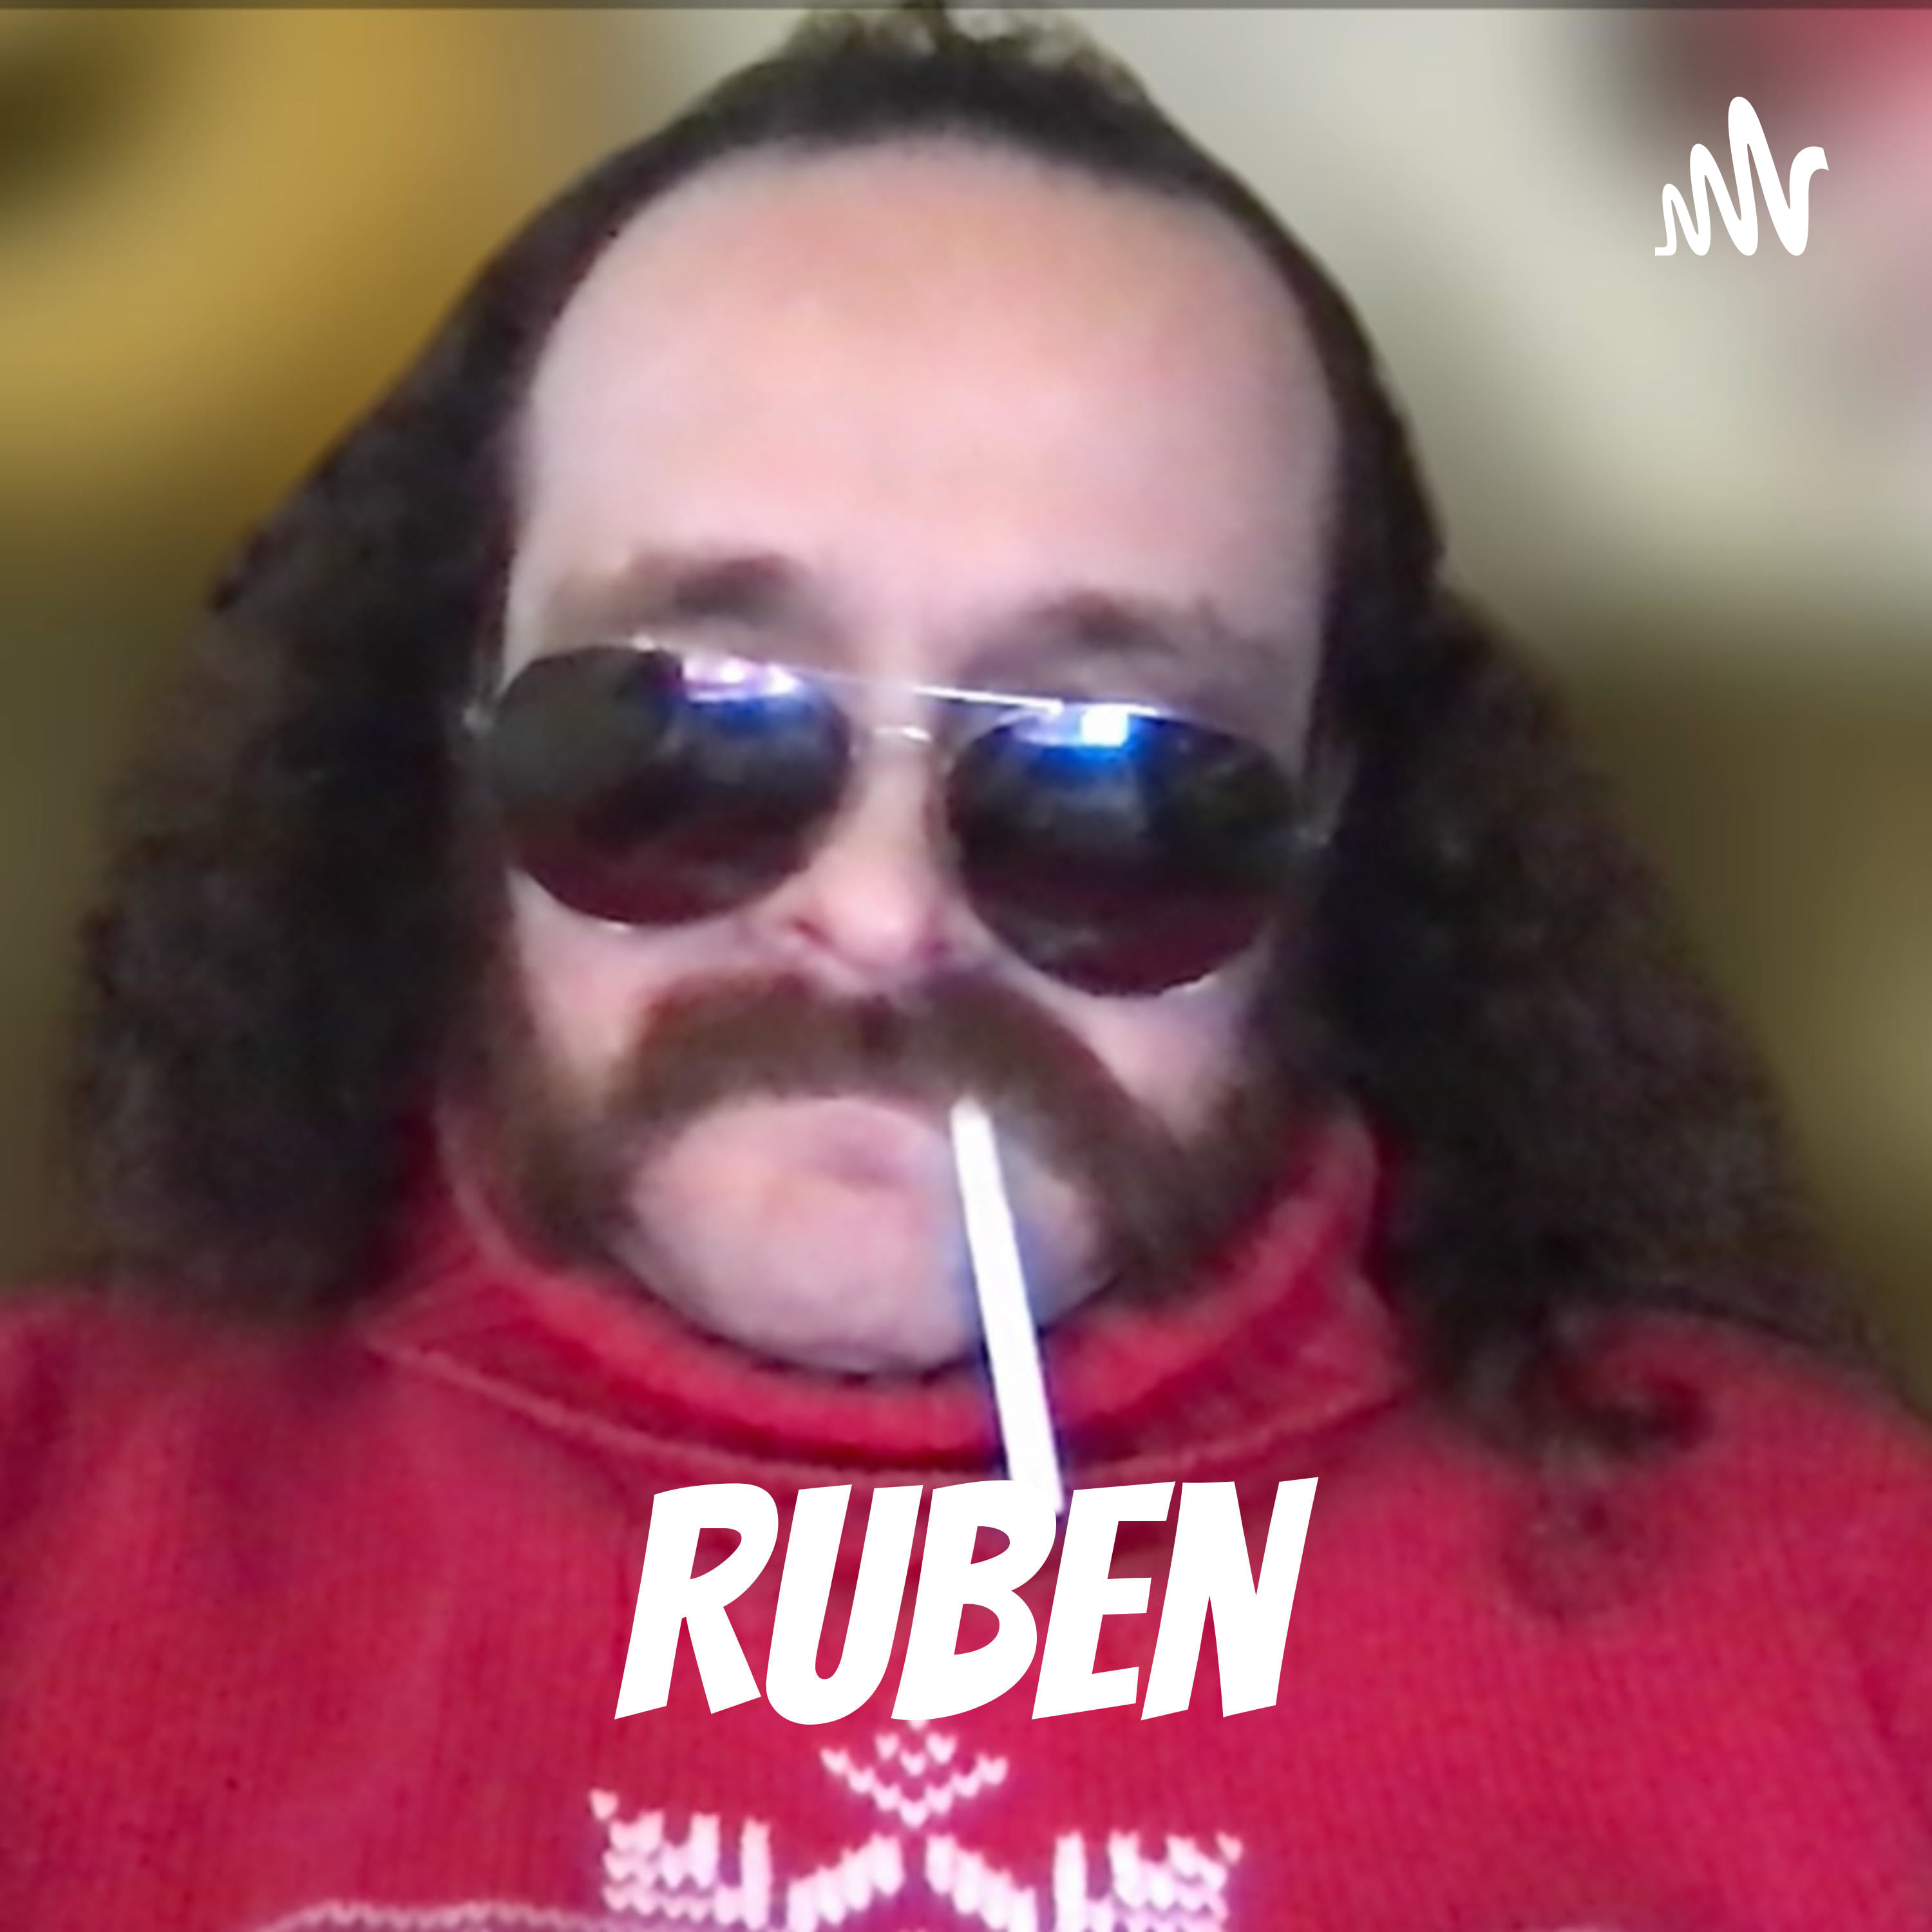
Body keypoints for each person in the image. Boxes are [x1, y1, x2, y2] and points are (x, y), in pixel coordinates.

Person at [5, 10, 1930, 1930]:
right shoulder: (48, 1528)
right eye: (684, 727)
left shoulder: (1846, 1619)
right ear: (454, 735)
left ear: (1336, 839)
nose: (879, 913)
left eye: (1109, 781)